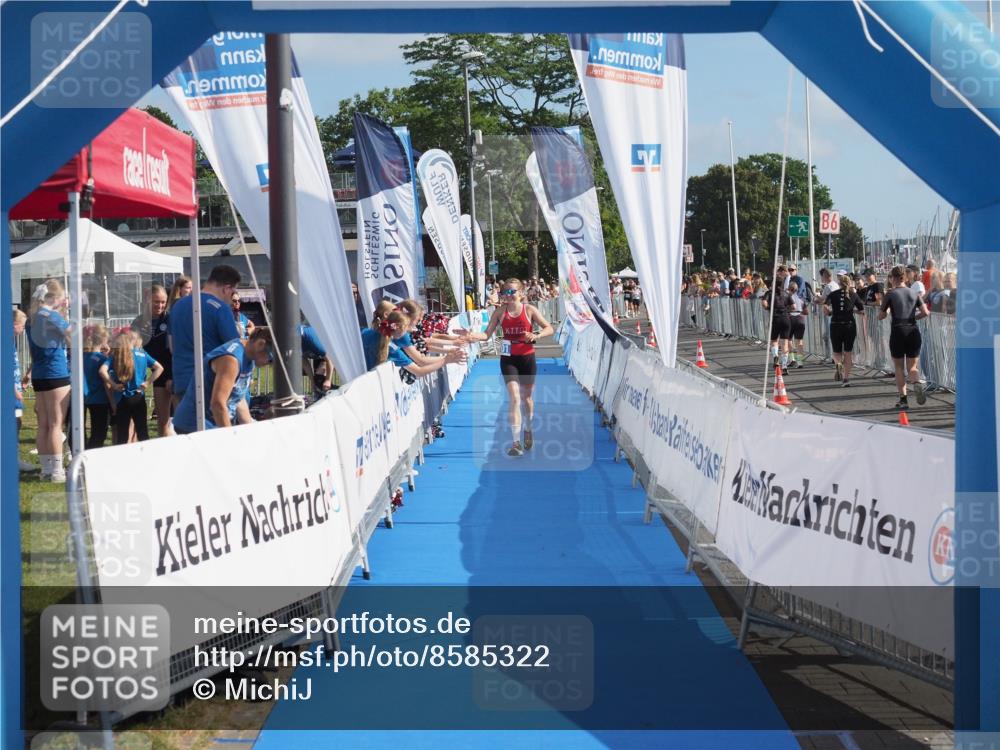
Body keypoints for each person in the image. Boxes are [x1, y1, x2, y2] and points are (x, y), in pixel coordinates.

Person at [463, 279, 554, 456]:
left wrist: (536, 335)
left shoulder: (529, 310)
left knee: (526, 398)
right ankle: (515, 443)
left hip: (527, 358)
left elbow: (549, 328)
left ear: (521, 294)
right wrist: (471, 335)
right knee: (514, 398)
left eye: (512, 292)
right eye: (506, 292)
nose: (509, 295)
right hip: (508, 358)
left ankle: (528, 428)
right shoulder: (499, 312)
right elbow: (486, 334)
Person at [172, 328, 274, 434]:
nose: (269, 364)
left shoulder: (250, 358)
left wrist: (251, 430)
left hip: (215, 422)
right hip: (196, 424)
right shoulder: (231, 360)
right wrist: (228, 437)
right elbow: (218, 404)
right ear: (260, 344)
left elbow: (238, 397)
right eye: (270, 359)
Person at [167, 265, 242, 407]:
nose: (232, 298)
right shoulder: (221, 309)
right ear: (226, 289)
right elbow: (234, 346)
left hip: (182, 379)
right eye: (233, 292)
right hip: (211, 384)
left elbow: (172, 346)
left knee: (187, 428)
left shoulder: (178, 306)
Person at [27, 279, 72, 482]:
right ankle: (56, 471)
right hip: (56, 372)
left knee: (43, 424)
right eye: (62, 297)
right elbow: (73, 335)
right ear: (54, 297)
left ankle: (46, 469)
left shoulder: (33, 317)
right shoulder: (52, 315)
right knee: (56, 424)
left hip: (39, 373)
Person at [879, 265, 930, 409]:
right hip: (912, 329)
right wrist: (914, 318)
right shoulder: (914, 294)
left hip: (898, 331)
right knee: (913, 367)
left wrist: (885, 309)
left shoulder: (890, 294)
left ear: (892, 278)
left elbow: (881, 316)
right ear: (905, 278)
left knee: (899, 367)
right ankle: (917, 383)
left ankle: (903, 399)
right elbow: (926, 312)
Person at [101, 329, 162, 445]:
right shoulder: (142, 354)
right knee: (143, 432)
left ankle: (123, 461)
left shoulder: (116, 355)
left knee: (122, 435)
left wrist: (113, 385)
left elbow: (102, 370)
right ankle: (146, 458)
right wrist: (148, 382)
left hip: (121, 398)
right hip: (138, 396)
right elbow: (159, 368)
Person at [362, 309, 465, 378]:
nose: (408, 332)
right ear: (397, 327)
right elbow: (419, 371)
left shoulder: (365, 332)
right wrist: (446, 360)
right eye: (406, 329)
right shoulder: (393, 349)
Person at [131, 284, 173, 437]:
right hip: (146, 373)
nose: (160, 305)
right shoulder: (139, 321)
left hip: (169, 372)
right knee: (160, 421)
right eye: (156, 302)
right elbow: (132, 350)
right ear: (148, 300)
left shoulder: (170, 319)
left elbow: (174, 350)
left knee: (169, 420)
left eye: (163, 302)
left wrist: (170, 376)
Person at [824, 272, 864, 386]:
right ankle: (846, 379)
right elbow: (861, 310)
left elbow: (825, 307)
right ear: (849, 283)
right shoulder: (854, 294)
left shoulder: (833, 294)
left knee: (836, 351)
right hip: (849, 325)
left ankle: (838, 364)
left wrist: (830, 312)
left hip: (836, 324)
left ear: (839, 283)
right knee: (848, 352)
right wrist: (853, 311)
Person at [12, 309, 36, 472]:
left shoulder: (10, 340)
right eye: (23, 325)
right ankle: (13, 459)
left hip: (14, 388)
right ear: (15, 324)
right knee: (15, 422)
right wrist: (14, 390)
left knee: (17, 422)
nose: (23, 330)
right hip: (10, 392)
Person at [82, 325, 112, 449]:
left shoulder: (81, 357)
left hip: (84, 398)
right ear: (103, 340)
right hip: (100, 399)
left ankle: (82, 452)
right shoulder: (102, 359)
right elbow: (106, 382)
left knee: (82, 430)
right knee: (99, 432)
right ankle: (91, 455)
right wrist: (113, 402)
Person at [762, 267, 793, 373]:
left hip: (774, 318)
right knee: (784, 343)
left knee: (774, 341)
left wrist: (768, 308)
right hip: (785, 318)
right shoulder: (786, 294)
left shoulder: (769, 293)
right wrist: (786, 309)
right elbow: (793, 306)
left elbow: (764, 303)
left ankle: (775, 357)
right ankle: (784, 366)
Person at [300, 322, 335, 397]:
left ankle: (335, 394)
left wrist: (328, 380)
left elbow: (329, 360)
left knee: (322, 380)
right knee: (317, 382)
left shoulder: (310, 339)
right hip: (319, 356)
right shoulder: (293, 345)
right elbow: (306, 365)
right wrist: (312, 384)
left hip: (331, 353)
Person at [787, 281, 807, 368]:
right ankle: (800, 362)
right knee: (799, 341)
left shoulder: (787, 298)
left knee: (788, 340)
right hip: (800, 318)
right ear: (797, 289)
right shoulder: (801, 299)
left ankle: (792, 359)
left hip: (790, 318)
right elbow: (806, 312)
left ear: (788, 289)